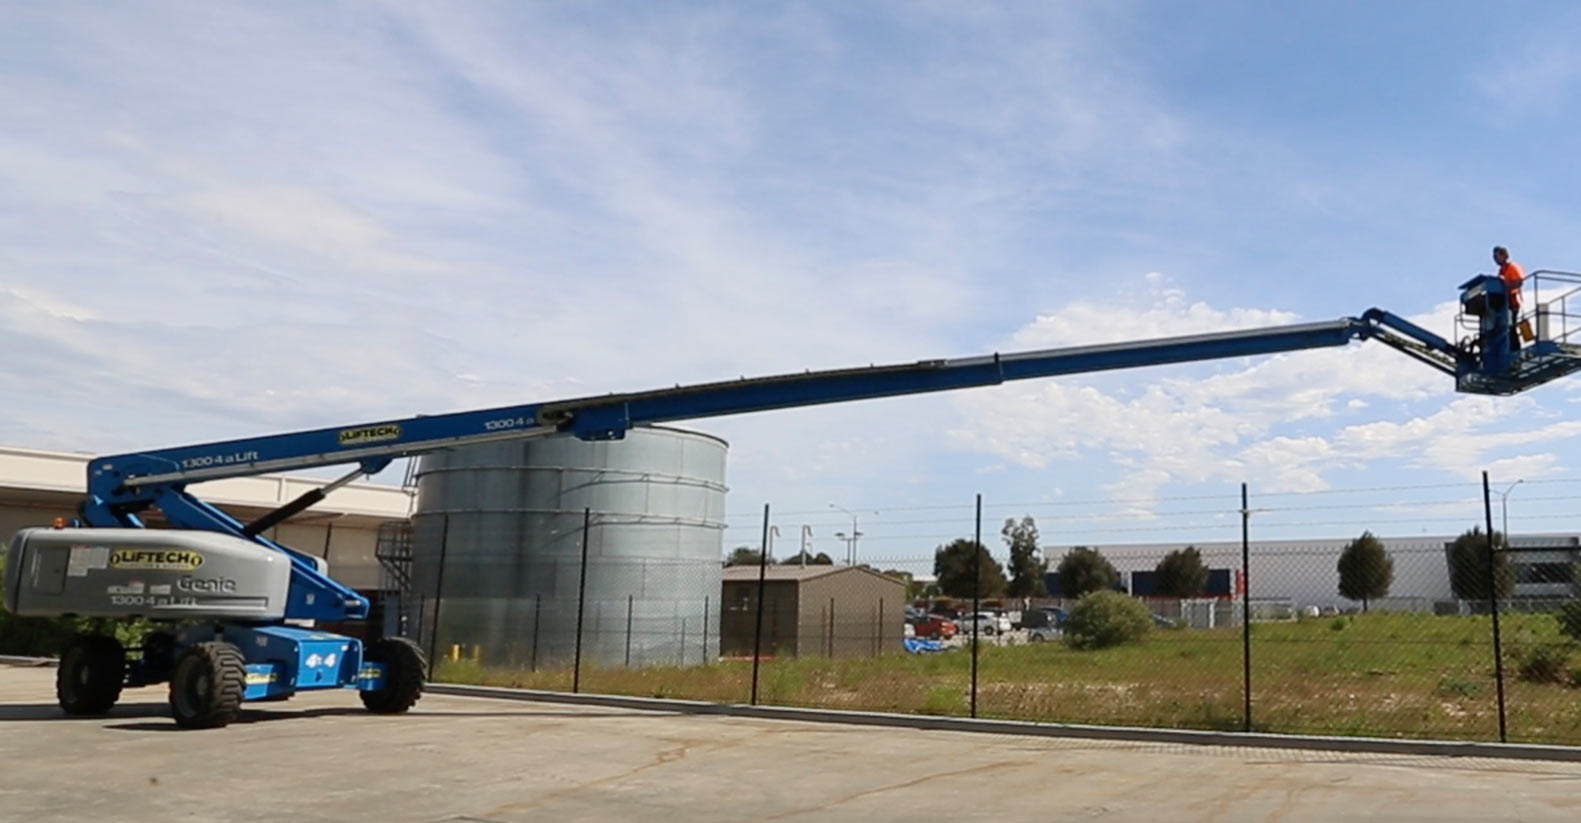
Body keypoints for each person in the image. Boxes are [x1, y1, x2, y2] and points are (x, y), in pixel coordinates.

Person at [1494, 246, 1525, 351]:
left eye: (1497, 256)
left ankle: (1515, 349)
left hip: (1512, 301)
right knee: (1503, 327)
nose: (1495, 259)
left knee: (1511, 326)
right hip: (1504, 303)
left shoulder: (1513, 267)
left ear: (1504, 255)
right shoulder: (1501, 271)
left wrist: (1506, 287)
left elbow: (1519, 282)